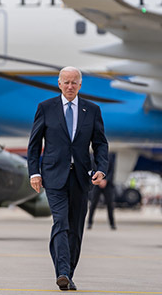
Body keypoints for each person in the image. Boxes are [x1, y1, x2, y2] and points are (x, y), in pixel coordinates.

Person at [27, 66, 109, 291]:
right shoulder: (46, 108)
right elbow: (34, 145)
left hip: (81, 177)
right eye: (66, 82)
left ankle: (68, 273)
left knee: (76, 229)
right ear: (59, 83)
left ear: (80, 85)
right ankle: (62, 272)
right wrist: (34, 172)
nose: (70, 86)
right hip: (54, 176)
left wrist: (101, 169)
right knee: (60, 222)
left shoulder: (91, 110)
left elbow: (100, 143)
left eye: (74, 82)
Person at [88, 154, 116, 230]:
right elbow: (92, 169)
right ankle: (89, 223)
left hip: (107, 184)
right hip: (97, 183)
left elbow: (112, 170)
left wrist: (106, 180)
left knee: (110, 204)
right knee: (93, 203)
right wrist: (98, 180)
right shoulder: (92, 157)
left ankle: (112, 224)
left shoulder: (110, 156)